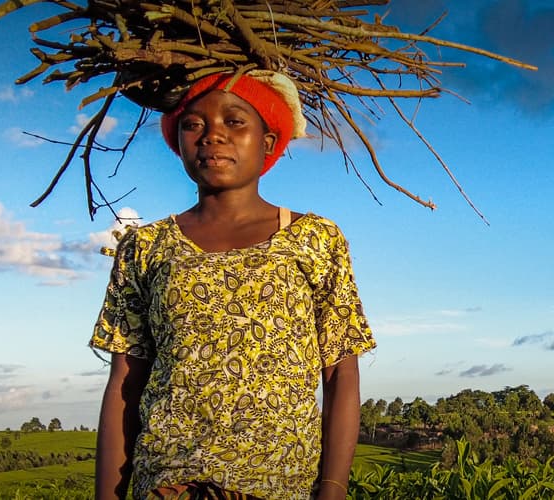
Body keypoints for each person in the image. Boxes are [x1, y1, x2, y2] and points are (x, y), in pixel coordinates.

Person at [92, 69, 376, 500]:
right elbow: (125, 385)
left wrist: (332, 490)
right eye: (194, 125)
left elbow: (340, 373)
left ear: (267, 141)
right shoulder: (144, 247)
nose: (212, 136)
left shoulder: (315, 238)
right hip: (167, 484)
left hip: (279, 486)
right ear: (179, 144)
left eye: (234, 121)